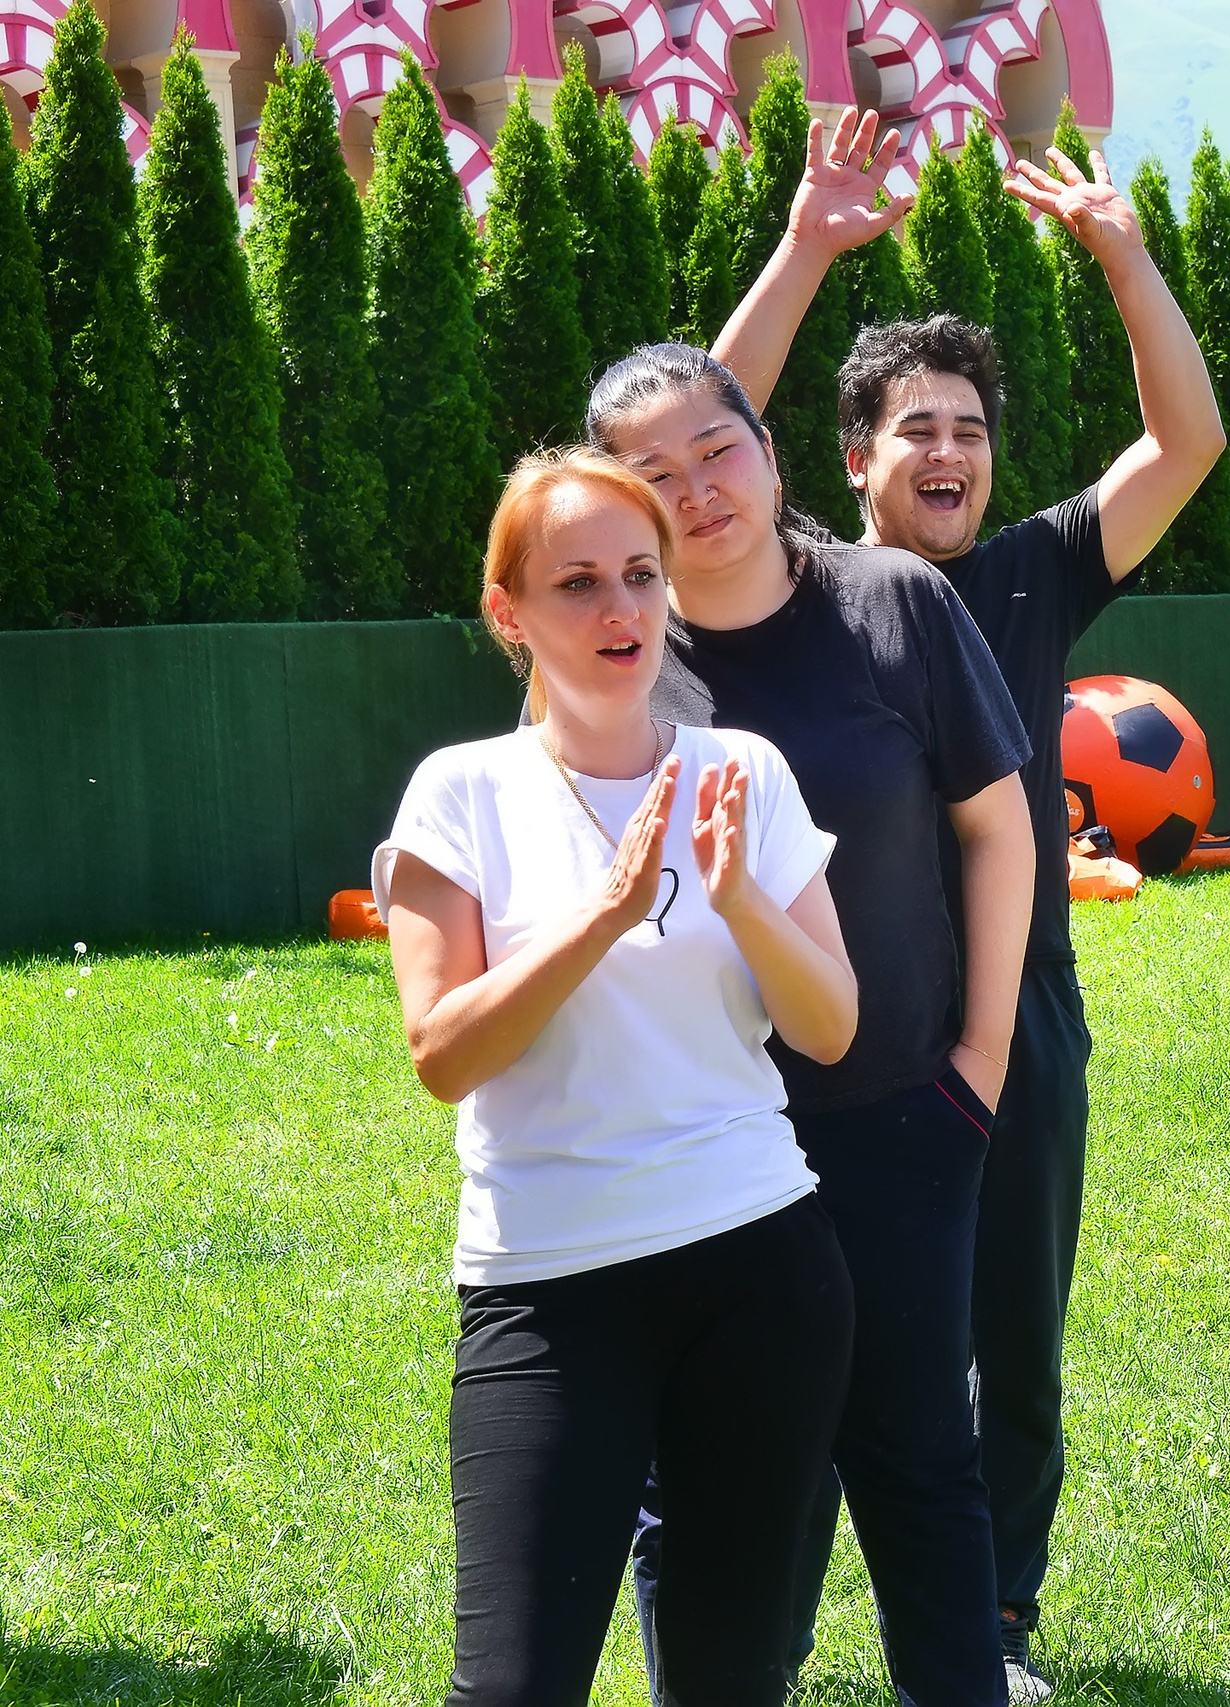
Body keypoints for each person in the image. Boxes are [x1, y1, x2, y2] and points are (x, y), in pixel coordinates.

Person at [710, 107, 1225, 1697]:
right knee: (797, 1343)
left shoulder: (1029, 574)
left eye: (969, 429)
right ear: (851, 457)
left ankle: (992, 1625)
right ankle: (766, 1632)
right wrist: (807, 245)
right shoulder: (789, 584)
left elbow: (1186, 443)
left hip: (1018, 1033)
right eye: (913, 428)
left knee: (1013, 1334)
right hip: (809, 1038)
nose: (947, 453)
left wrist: (1128, 260)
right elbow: (691, 430)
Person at [585, 335, 1037, 1706]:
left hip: (903, 1115)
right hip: (705, 1140)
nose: (698, 487)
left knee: (917, 1460)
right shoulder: (618, 659)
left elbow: (1001, 832)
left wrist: (979, 1067)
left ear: (770, 450)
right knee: (709, 1478)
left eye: (716, 447)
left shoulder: (893, 601)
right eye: (651, 473)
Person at [374, 447, 861, 1705]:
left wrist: (744, 896)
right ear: (510, 613)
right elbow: (444, 1055)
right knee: (513, 1685)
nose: (620, 612)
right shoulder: (459, 795)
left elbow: (830, 1028)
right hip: (549, 1290)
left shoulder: (742, 773)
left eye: (641, 577)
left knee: (726, 1682)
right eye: (579, 583)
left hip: (759, 1265)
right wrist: (597, 915)